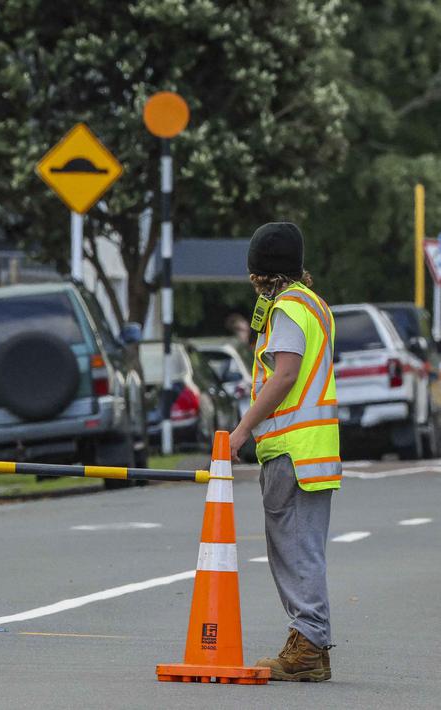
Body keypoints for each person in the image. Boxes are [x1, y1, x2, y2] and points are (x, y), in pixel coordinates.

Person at [229, 222, 339, 682]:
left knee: (293, 549)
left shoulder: (288, 309)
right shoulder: (314, 305)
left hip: (292, 450)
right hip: (312, 449)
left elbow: (285, 375)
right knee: (302, 547)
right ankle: (311, 644)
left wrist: (242, 429)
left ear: (259, 272)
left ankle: (308, 644)